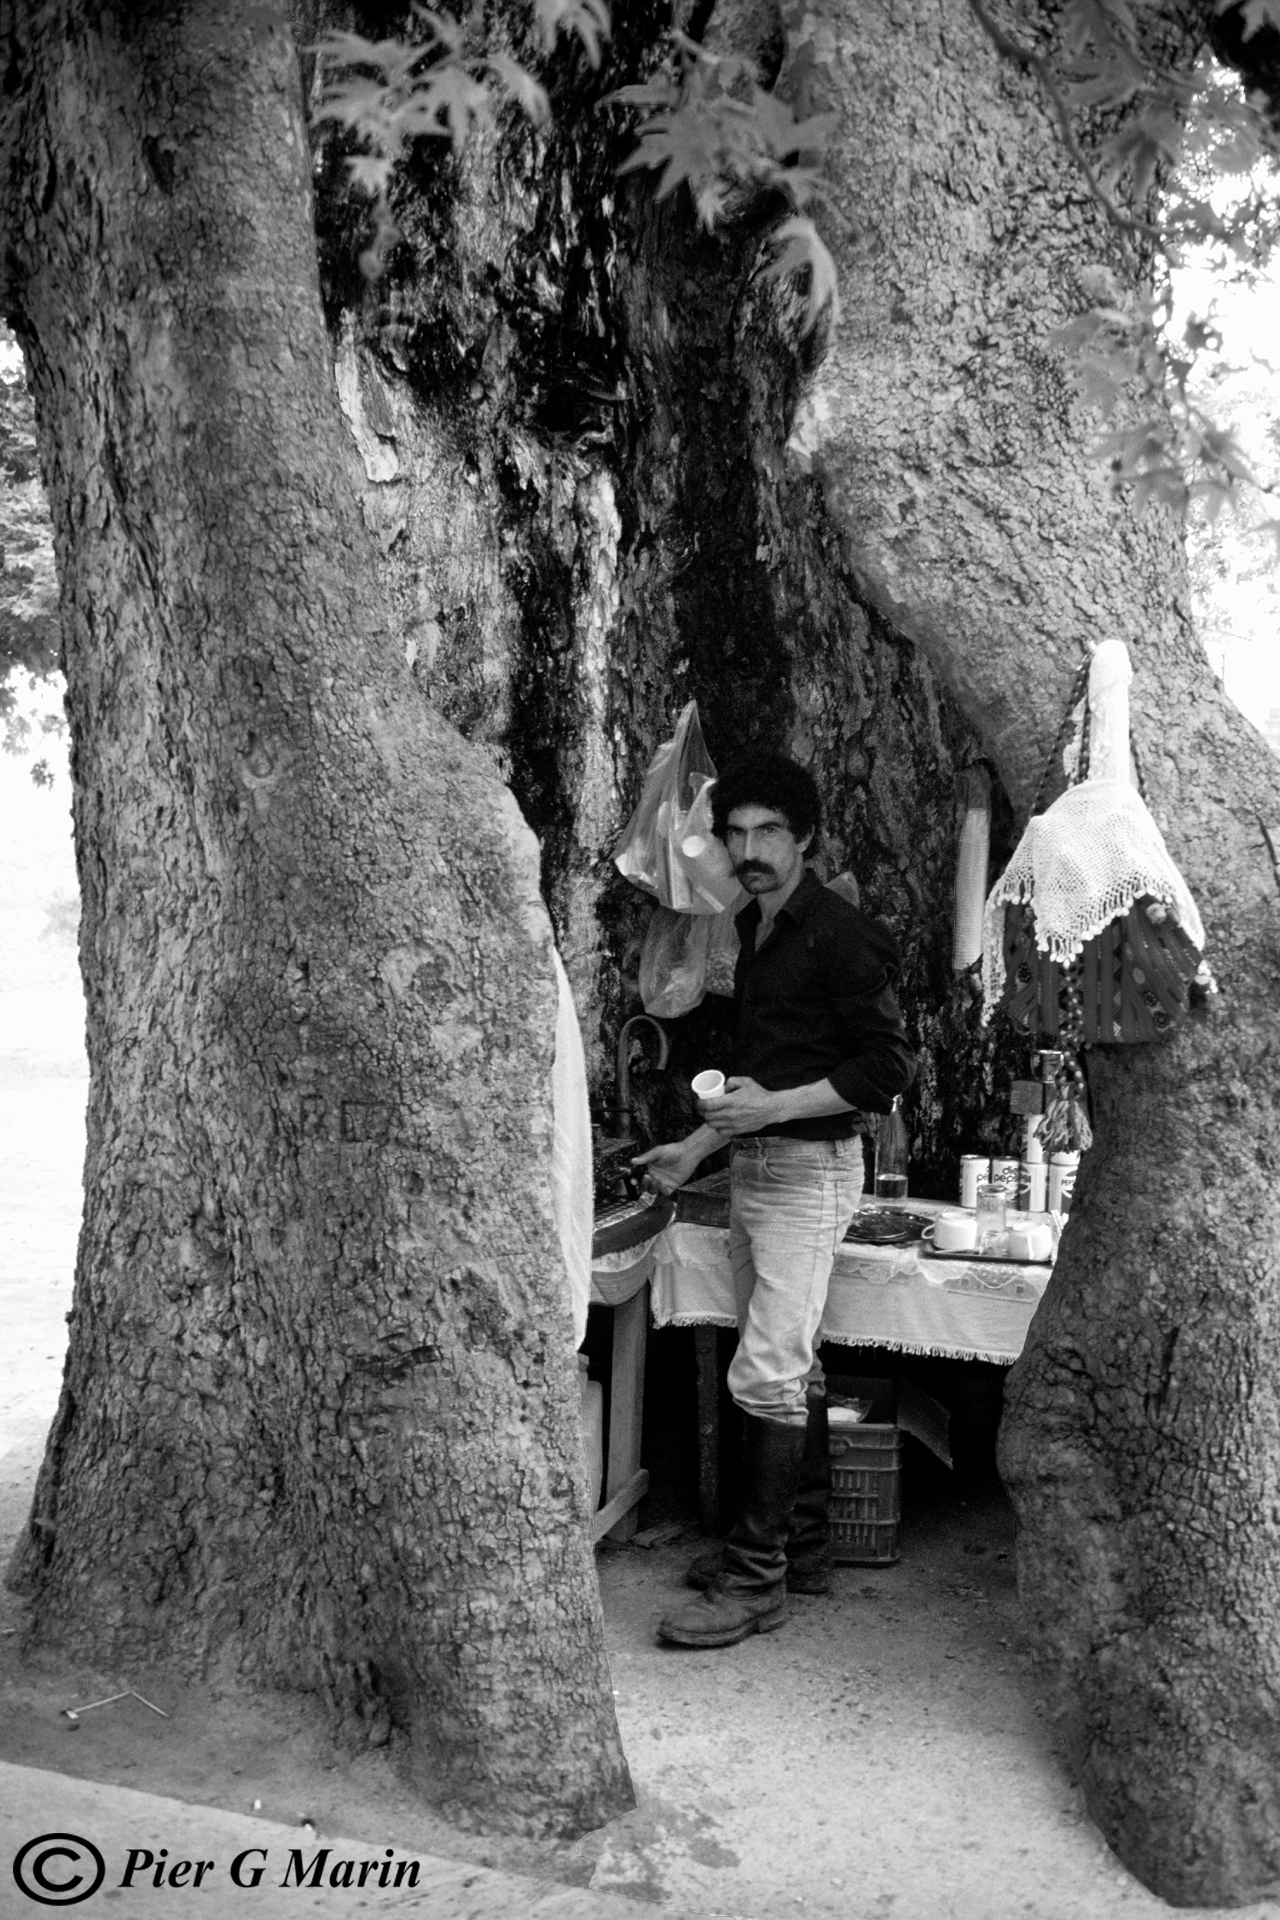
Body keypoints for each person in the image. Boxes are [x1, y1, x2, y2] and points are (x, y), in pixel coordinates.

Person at [634, 752, 915, 1649]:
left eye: (769, 832)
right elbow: (765, 1076)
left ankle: (756, 1582)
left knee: (765, 1373)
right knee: (794, 1364)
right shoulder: (754, 928)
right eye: (737, 834)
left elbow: (886, 1070)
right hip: (757, 1167)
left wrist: (775, 1110)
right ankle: (803, 1547)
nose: (750, 850)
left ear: (806, 838)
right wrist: (695, 1150)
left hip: (811, 1171)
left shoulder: (842, 934)